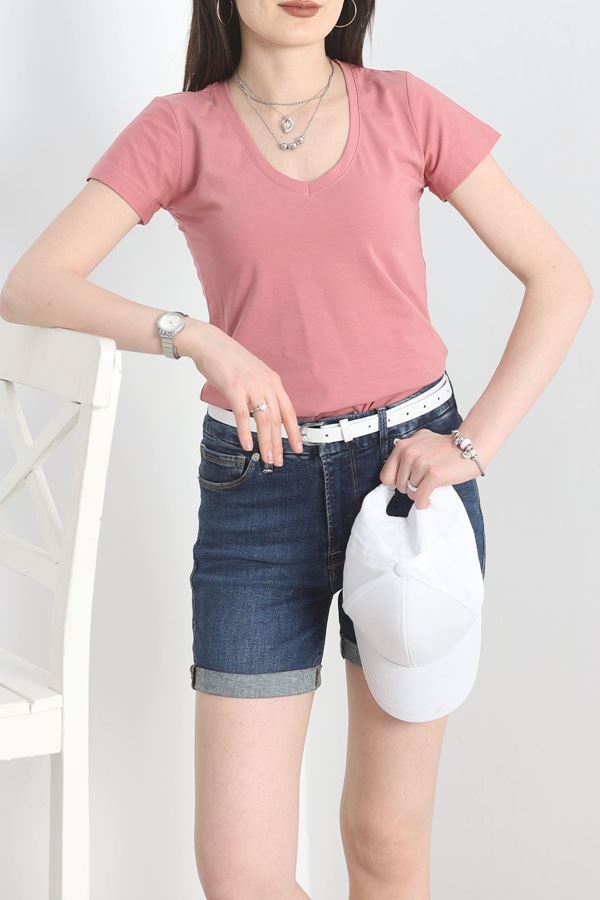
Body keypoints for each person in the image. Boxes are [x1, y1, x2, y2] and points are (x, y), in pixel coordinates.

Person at [0, 1, 592, 897]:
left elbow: (559, 277)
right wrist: (196, 336)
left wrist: (472, 447)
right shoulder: (179, 129)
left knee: (384, 842)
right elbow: (32, 283)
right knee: (241, 875)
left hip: (412, 493)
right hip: (258, 493)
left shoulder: (406, 106)